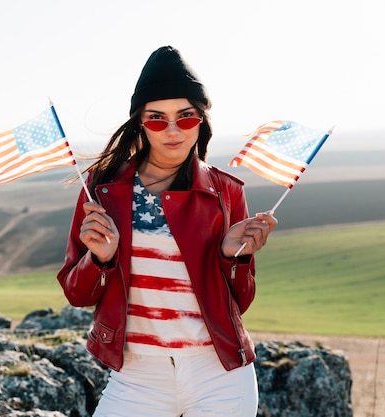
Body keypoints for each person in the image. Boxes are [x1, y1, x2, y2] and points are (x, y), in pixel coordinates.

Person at [57, 45, 277, 417]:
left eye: (186, 117)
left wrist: (231, 258)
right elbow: (76, 293)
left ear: (201, 120)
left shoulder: (227, 191)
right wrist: (100, 259)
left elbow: (240, 303)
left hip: (220, 376)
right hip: (137, 377)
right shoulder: (102, 187)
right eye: (157, 118)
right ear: (140, 123)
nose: (172, 130)